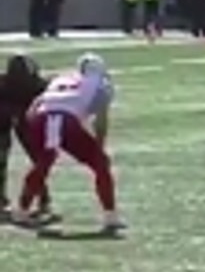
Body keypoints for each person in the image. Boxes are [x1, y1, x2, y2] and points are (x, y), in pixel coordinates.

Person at [13, 53, 123, 233]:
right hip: (59, 120)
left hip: (39, 119)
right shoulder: (100, 86)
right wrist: (99, 147)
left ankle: (22, 210)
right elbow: (100, 122)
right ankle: (110, 216)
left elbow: (36, 104)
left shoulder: (61, 79)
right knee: (98, 163)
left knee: (44, 161)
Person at [0, 54, 52, 216]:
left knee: (36, 160)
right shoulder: (34, 84)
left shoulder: (37, 86)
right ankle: (43, 198)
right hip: (4, 120)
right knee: (34, 161)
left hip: (26, 120)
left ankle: (43, 198)